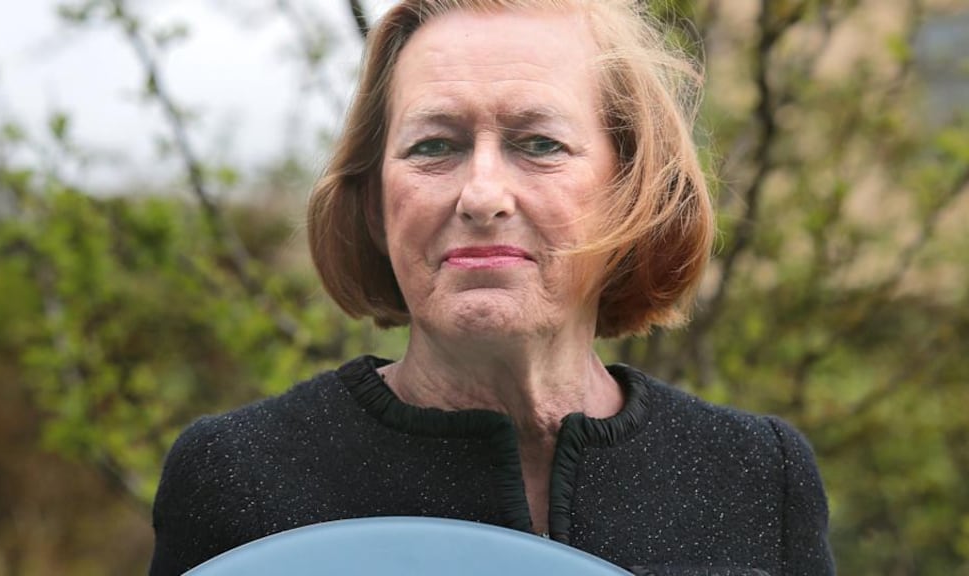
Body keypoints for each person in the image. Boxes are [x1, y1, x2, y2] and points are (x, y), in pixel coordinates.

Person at [149, 1, 835, 575]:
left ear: (633, 188)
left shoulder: (755, 477)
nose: (481, 194)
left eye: (538, 144)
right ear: (373, 204)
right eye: (433, 146)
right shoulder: (237, 473)